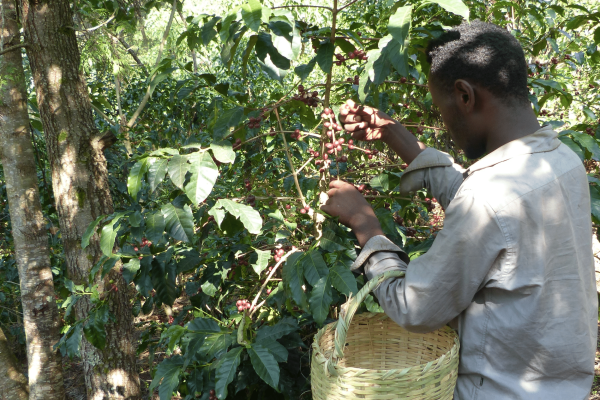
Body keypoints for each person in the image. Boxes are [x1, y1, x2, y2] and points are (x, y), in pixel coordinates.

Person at [321, 21, 597, 399]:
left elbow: (415, 308)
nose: (444, 121)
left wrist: (363, 223)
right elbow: (494, 213)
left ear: (464, 96)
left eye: (441, 108)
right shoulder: (562, 160)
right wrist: (394, 134)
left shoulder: (488, 196)